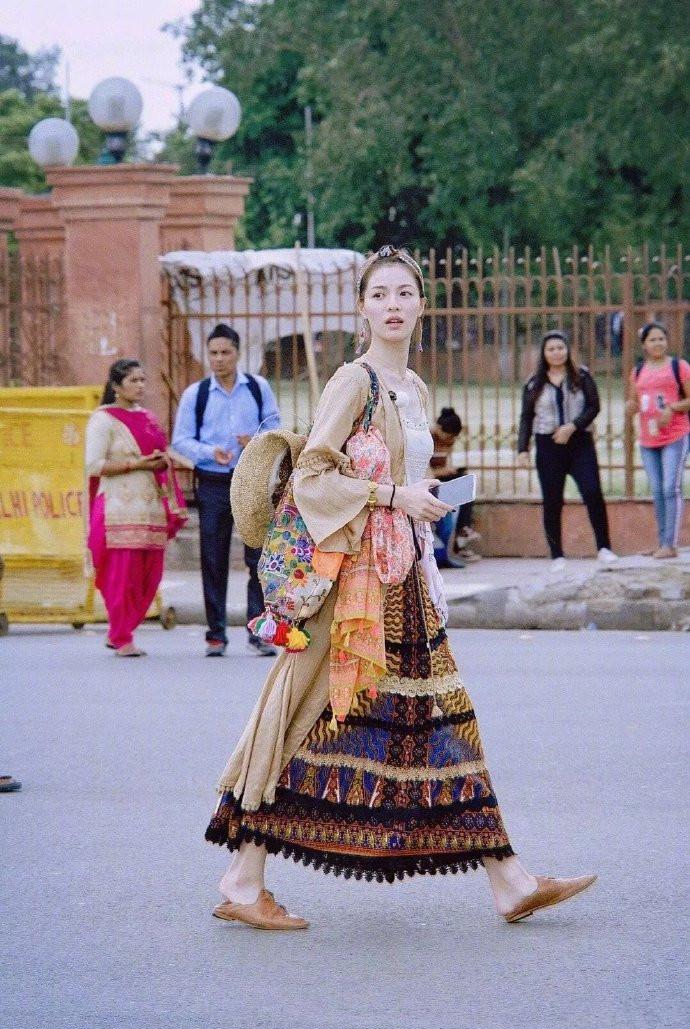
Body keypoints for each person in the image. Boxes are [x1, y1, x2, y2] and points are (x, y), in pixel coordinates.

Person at [205, 246, 596, 931]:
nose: (392, 304)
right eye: (379, 293)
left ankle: (509, 879)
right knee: (305, 719)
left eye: (403, 293)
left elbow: (404, 485)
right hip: (354, 588)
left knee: (446, 723)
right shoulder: (352, 383)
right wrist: (393, 494)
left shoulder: (412, 388)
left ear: (421, 304)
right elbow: (313, 478)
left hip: (407, 578)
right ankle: (242, 877)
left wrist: (424, 496)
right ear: (362, 308)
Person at [172, 324, 281, 657]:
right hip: (214, 483)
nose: (218, 359)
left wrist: (258, 441)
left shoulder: (258, 388)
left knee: (258, 558)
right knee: (213, 558)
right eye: (213, 353)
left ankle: (258, 631)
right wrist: (209, 452)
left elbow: (276, 428)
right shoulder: (197, 394)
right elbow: (181, 440)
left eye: (225, 353)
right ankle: (216, 633)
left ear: (237, 353)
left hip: (251, 481)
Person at [85, 360, 187, 657]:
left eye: (143, 379)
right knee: (122, 576)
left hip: (151, 508)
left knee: (149, 575)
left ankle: (122, 630)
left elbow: (162, 454)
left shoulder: (148, 418)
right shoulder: (103, 420)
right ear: (116, 386)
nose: (141, 385)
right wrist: (138, 464)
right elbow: (93, 465)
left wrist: (163, 461)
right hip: (119, 509)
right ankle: (120, 636)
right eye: (133, 380)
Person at [517, 331, 618, 572]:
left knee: (593, 492)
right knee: (552, 500)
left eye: (560, 348)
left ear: (567, 350)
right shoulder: (534, 383)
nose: (556, 353)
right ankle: (557, 555)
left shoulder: (581, 376)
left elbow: (595, 406)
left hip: (580, 443)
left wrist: (573, 426)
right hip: (547, 446)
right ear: (544, 353)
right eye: (551, 349)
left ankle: (604, 548)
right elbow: (526, 417)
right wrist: (523, 448)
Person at [625, 321, 690, 559]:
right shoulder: (638, 371)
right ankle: (662, 540)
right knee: (657, 490)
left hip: (675, 434)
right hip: (648, 439)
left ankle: (670, 544)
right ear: (644, 345)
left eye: (661, 338)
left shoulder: (679, 367)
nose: (658, 343)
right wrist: (629, 407)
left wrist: (672, 408)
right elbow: (633, 401)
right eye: (652, 340)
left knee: (669, 487)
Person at [429, 406, 481, 566]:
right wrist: (444, 471)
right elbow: (428, 472)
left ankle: (463, 531)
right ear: (439, 429)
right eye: (449, 436)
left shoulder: (447, 441)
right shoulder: (427, 437)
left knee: (465, 484)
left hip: (441, 479)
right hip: (429, 481)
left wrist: (449, 471)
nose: (450, 441)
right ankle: (459, 537)